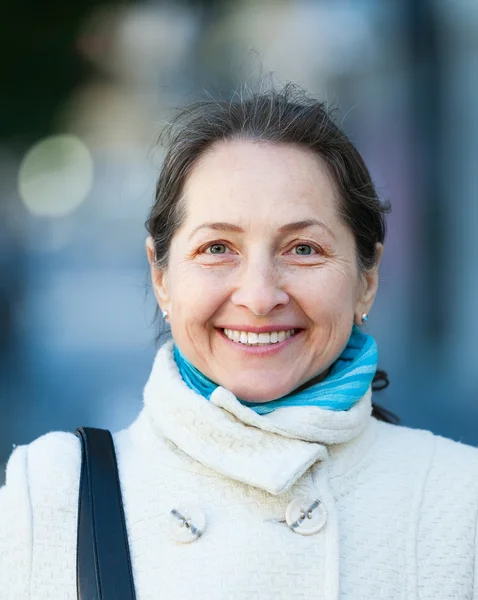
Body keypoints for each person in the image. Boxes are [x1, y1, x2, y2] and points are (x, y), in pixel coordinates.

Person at [1, 84, 478, 600]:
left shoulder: (458, 501)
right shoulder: (53, 494)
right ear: (162, 277)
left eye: (302, 248)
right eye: (217, 247)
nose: (259, 296)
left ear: (366, 278)